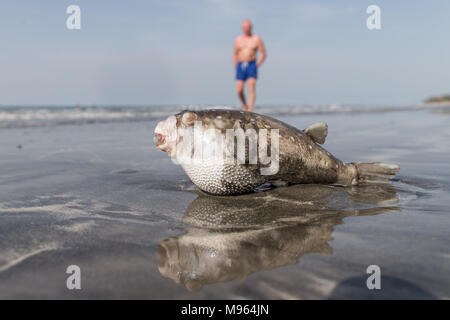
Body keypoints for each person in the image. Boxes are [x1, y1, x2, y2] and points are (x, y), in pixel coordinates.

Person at [233, 20, 266, 112]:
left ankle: (250, 110)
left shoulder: (256, 39)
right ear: (242, 28)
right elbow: (235, 53)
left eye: (248, 27)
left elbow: (263, 53)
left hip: (252, 64)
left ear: (251, 28)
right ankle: (244, 105)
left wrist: (257, 65)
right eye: (244, 27)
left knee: (251, 86)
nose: (246, 29)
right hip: (240, 65)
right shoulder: (238, 39)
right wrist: (236, 65)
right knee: (239, 90)